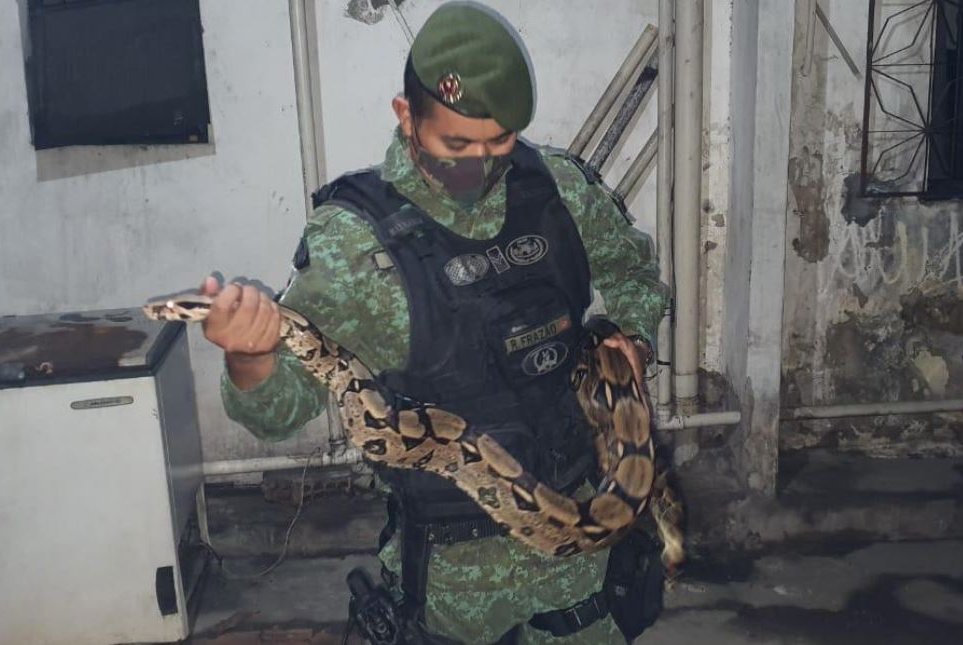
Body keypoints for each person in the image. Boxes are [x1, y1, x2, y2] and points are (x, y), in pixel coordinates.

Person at [200, 3, 669, 643]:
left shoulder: (558, 190)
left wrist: (633, 338)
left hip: (584, 569)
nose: (480, 162)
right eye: (456, 144)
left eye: (499, 142)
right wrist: (250, 358)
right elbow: (280, 412)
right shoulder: (353, 244)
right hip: (451, 583)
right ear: (406, 115)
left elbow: (633, 271)